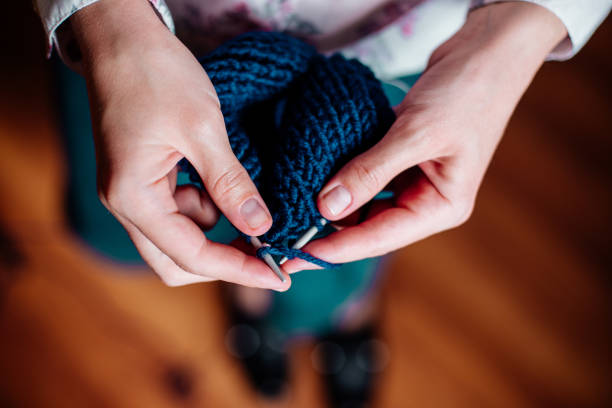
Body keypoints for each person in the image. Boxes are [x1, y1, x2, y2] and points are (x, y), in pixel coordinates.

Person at [34, 0, 611, 405]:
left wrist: (523, 29)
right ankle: (253, 302)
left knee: (349, 212)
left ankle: (335, 312)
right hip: (149, 45)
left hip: (402, 49)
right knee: (178, 209)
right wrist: (108, 18)